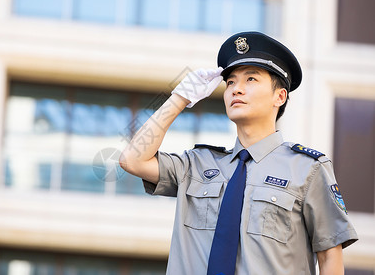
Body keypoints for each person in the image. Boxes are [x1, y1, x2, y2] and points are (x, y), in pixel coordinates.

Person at [119, 31, 358, 275]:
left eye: (251, 80)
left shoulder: (308, 169)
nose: (236, 89)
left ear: (280, 96)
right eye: (231, 82)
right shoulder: (196, 165)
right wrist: (180, 98)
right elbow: (132, 160)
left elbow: (330, 257)